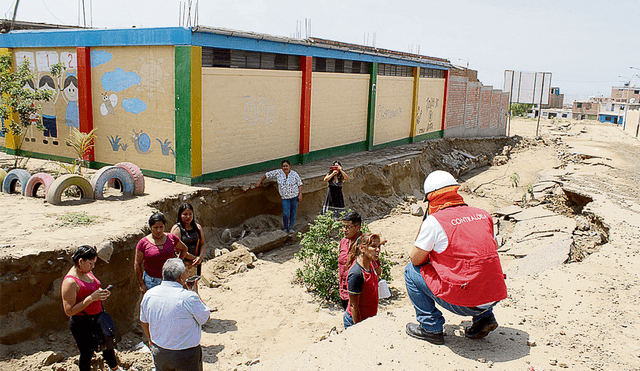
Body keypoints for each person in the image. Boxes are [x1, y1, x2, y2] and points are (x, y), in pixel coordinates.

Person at [404, 170, 508, 345]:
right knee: (477, 264)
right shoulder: (483, 214)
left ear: (431, 199)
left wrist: (426, 220)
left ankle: (430, 327)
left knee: (410, 271)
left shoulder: (434, 222)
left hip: (466, 303)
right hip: (494, 295)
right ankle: (484, 318)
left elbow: (416, 259)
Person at [140, 258, 210, 371]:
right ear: (181, 277)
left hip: (160, 351)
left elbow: (144, 321)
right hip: (185, 354)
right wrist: (194, 292)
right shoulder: (188, 297)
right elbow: (205, 318)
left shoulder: (149, 295)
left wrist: (150, 339)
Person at [61, 245, 123, 371]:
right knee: (87, 353)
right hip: (82, 322)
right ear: (80, 261)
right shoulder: (70, 282)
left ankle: (115, 368)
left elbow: (93, 287)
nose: (92, 267)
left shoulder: (87, 271)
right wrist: (91, 298)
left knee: (108, 345)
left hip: (99, 317)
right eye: (90, 263)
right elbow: (69, 311)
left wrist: (101, 293)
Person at [135, 213, 188, 293]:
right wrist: (141, 284)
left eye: (161, 227)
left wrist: (177, 262)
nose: (159, 230)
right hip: (151, 282)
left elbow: (184, 249)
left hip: (171, 280)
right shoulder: (143, 243)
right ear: (151, 227)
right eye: (155, 228)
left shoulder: (171, 238)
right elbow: (137, 264)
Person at [343, 232, 384, 328]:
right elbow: (354, 306)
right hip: (358, 321)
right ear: (362, 248)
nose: (378, 250)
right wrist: (359, 329)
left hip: (368, 318)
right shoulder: (356, 274)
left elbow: (378, 272)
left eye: (379, 246)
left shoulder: (370, 263)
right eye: (373, 246)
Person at [255, 160, 303, 233]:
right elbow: (267, 175)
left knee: (293, 212)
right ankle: (285, 227)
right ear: (282, 167)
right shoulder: (278, 173)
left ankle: (291, 227)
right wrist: (259, 181)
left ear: (290, 166)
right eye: (283, 166)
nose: (285, 167)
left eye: (286, 166)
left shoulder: (294, 174)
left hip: (294, 197)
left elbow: (300, 184)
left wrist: (300, 194)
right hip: (285, 198)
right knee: (286, 213)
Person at [170, 203, 206, 278]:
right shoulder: (177, 229)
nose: (188, 216)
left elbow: (202, 244)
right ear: (180, 215)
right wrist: (193, 258)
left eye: (190, 214)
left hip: (196, 263)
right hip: (182, 264)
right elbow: (177, 249)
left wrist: (200, 257)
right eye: (185, 214)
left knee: (194, 283)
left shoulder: (197, 228)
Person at [338, 211, 363, 310]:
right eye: (343, 226)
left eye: (348, 227)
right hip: (344, 292)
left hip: (358, 293)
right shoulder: (343, 242)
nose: (344, 230)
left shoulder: (364, 244)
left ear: (357, 228)